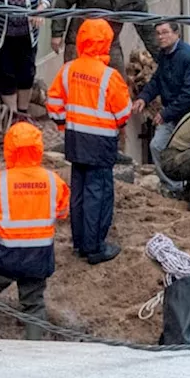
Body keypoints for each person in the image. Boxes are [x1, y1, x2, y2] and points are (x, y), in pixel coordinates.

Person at [0, 122, 70, 341]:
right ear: (38, 148)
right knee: (34, 304)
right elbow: (62, 212)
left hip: (6, 256)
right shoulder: (53, 181)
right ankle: (34, 352)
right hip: (39, 256)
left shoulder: (0, 181)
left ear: (9, 149)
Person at [46, 18, 132, 264]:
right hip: (101, 142)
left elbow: (53, 103)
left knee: (79, 191)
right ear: (106, 42)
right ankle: (94, 248)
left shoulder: (68, 69)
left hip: (74, 139)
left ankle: (80, 243)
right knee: (99, 193)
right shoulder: (109, 76)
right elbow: (124, 112)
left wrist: (64, 124)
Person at [136, 21, 190, 195]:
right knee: (157, 145)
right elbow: (157, 80)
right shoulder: (164, 55)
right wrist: (143, 97)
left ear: (177, 33)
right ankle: (173, 188)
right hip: (174, 114)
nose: (161, 37)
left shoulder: (189, 57)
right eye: (158, 33)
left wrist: (166, 113)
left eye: (165, 32)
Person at [49, 0, 161, 74]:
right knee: (77, 81)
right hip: (80, 41)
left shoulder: (136, 0)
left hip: (110, 45)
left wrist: (162, 59)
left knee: (118, 84)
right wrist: (57, 33)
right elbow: (64, 0)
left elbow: (146, 30)